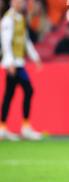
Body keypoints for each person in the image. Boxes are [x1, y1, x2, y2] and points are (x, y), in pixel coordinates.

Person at [1, 0, 42, 141]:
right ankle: (22, 127)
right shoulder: (8, 19)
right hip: (13, 64)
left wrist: (35, 57)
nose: (21, 3)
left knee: (10, 94)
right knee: (26, 90)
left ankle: (4, 127)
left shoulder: (21, 19)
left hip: (19, 62)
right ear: (13, 2)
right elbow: (5, 42)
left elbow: (25, 40)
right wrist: (9, 62)